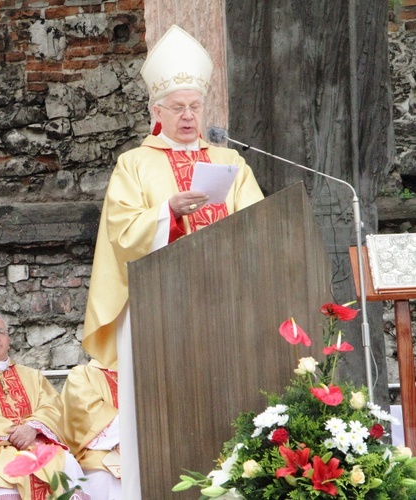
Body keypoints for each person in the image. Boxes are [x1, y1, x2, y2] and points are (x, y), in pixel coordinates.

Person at [81, 25, 265, 499]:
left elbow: (260, 223)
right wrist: (168, 213)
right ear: (155, 112)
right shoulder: (135, 164)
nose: (188, 116)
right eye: (177, 107)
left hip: (228, 300)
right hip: (163, 307)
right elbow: (121, 233)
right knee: (170, 403)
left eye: (195, 106)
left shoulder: (231, 162)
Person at [0, 312, 90, 500]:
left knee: (67, 463)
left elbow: (53, 406)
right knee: (2, 473)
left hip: (38, 442)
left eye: (1, 332)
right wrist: (16, 436)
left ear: (8, 340)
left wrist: (33, 427)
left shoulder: (33, 375)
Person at [60, 360, 121, 499]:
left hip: (146, 455)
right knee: (104, 477)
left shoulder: (144, 374)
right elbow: (85, 416)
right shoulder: (82, 374)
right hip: (101, 459)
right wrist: (137, 426)